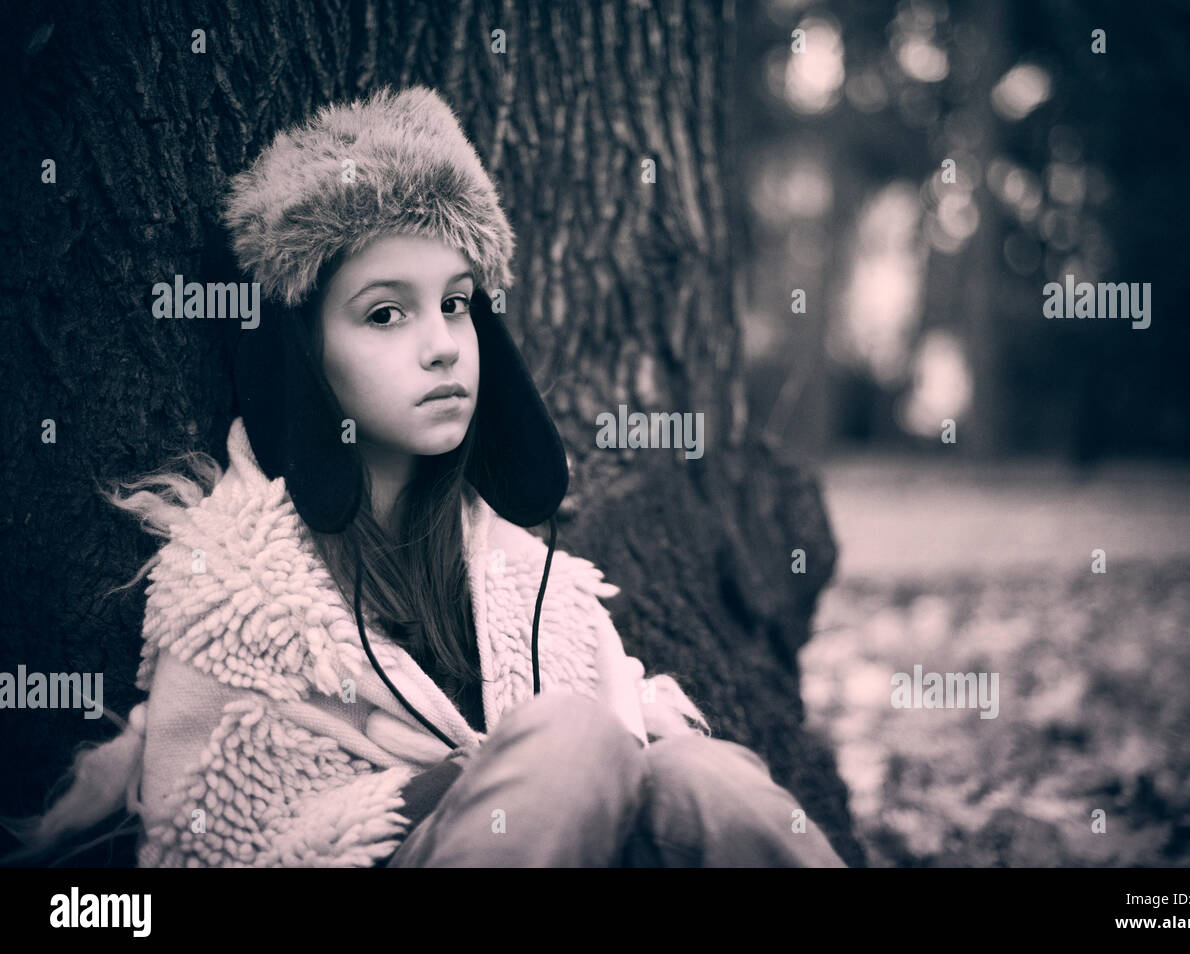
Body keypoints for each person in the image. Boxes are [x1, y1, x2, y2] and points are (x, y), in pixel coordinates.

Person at [0, 86, 846, 868]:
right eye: (385, 312)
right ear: (304, 352)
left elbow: (634, 756)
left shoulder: (532, 578)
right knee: (573, 737)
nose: (441, 342)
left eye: (456, 302)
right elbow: (209, 838)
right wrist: (451, 784)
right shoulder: (232, 589)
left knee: (705, 776)